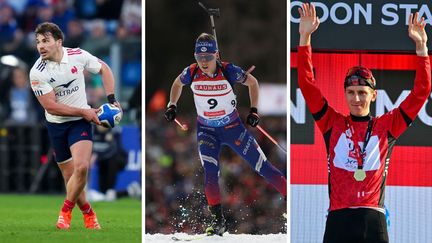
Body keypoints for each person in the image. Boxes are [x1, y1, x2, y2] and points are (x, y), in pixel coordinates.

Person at [297, 3, 430, 243]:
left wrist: (422, 48)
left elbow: (422, 92)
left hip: (373, 219)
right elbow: (307, 85)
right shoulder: (331, 123)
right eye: (351, 92)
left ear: (373, 95)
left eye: (361, 92)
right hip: (338, 219)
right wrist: (304, 37)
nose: (356, 98)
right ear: (345, 94)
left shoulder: (388, 126)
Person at [164, 33, 287, 236]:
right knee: (211, 174)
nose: (203, 62)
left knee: (262, 167)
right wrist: (172, 105)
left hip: (233, 129)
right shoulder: (191, 72)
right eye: (199, 57)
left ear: (216, 55)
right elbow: (177, 84)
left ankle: (289, 202)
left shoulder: (229, 70)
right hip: (207, 130)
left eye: (208, 57)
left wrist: (254, 110)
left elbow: (253, 83)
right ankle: (218, 221)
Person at [29, 22, 121, 230]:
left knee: (81, 168)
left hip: (79, 122)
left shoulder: (77, 55)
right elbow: (51, 107)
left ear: (59, 42)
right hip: (57, 124)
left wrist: (112, 98)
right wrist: (85, 111)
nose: (41, 46)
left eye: (45, 41)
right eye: (38, 42)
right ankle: (89, 213)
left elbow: (104, 69)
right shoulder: (37, 72)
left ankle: (65, 212)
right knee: (70, 176)